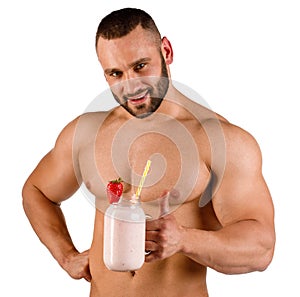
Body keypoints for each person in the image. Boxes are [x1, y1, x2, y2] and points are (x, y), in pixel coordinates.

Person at [22, 7, 275, 297]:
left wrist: (183, 240)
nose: (131, 85)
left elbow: (261, 247)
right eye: (116, 73)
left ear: (166, 51)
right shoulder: (87, 133)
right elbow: (37, 191)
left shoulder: (219, 140)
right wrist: (66, 256)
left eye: (140, 66)